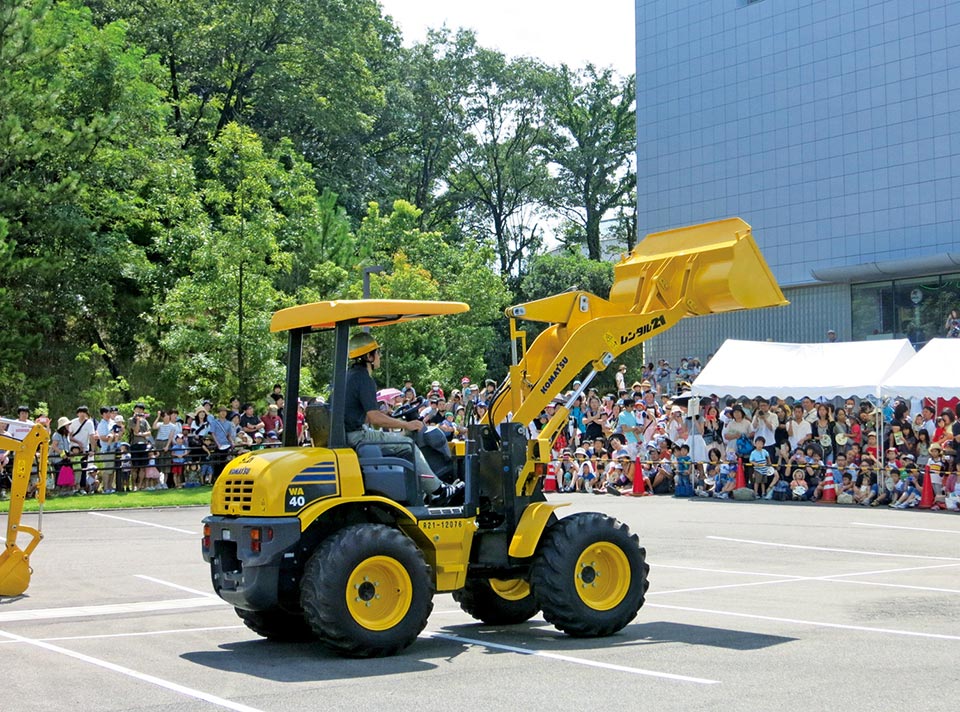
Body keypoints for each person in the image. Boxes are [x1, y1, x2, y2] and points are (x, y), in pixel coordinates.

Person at [344, 332, 462, 505]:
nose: (380, 357)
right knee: (408, 446)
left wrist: (391, 418)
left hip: (350, 434)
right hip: (357, 436)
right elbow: (374, 417)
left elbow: (360, 413)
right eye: (377, 352)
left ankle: (420, 492)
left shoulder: (349, 376)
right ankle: (438, 490)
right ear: (368, 356)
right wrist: (407, 424)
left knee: (400, 440)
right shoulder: (364, 380)